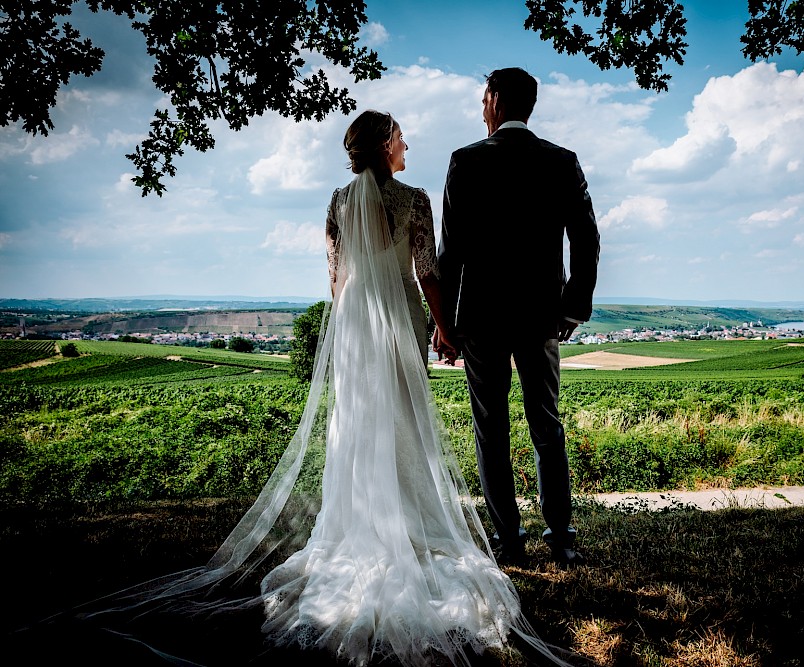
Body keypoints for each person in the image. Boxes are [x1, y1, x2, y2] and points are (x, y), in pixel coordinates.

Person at [37, 110, 574, 667]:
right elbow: (427, 274)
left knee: (362, 420)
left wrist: (350, 334)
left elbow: (336, 280)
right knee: (404, 419)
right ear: (386, 145)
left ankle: (365, 519)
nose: (407, 142)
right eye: (400, 136)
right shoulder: (414, 199)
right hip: (400, 322)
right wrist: (443, 326)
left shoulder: (338, 202)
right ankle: (420, 521)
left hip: (357, 328)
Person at [435, 68, 601, 568]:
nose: (481, 107)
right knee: (546, 424)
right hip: (539, 316)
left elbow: (452, 253)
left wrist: (445, 325)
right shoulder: (561, 161)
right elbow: (587, 238)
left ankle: (509, 540)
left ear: (497, 102)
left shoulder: (465, 161)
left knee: (493, 428)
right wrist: (572, 304)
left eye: (483, 97)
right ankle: (562, 537)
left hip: (481, 318)